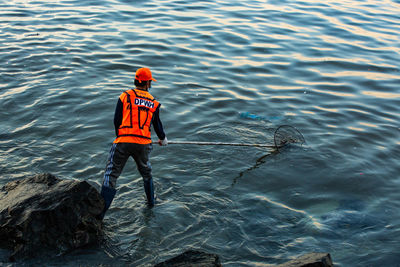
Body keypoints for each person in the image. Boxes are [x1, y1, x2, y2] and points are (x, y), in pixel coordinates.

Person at [99, 67, 167, 219]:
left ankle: (100, 215)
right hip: (143, 144)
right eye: (150, 81)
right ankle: (151, 203)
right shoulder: (153, 102)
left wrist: (121, 136)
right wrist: (163, 139)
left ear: (136, 80)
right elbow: (157, 125)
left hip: (123, 140)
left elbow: (117, 120)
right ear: (148, 83)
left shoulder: (125, 96)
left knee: (111, 175)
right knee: (146, 173)